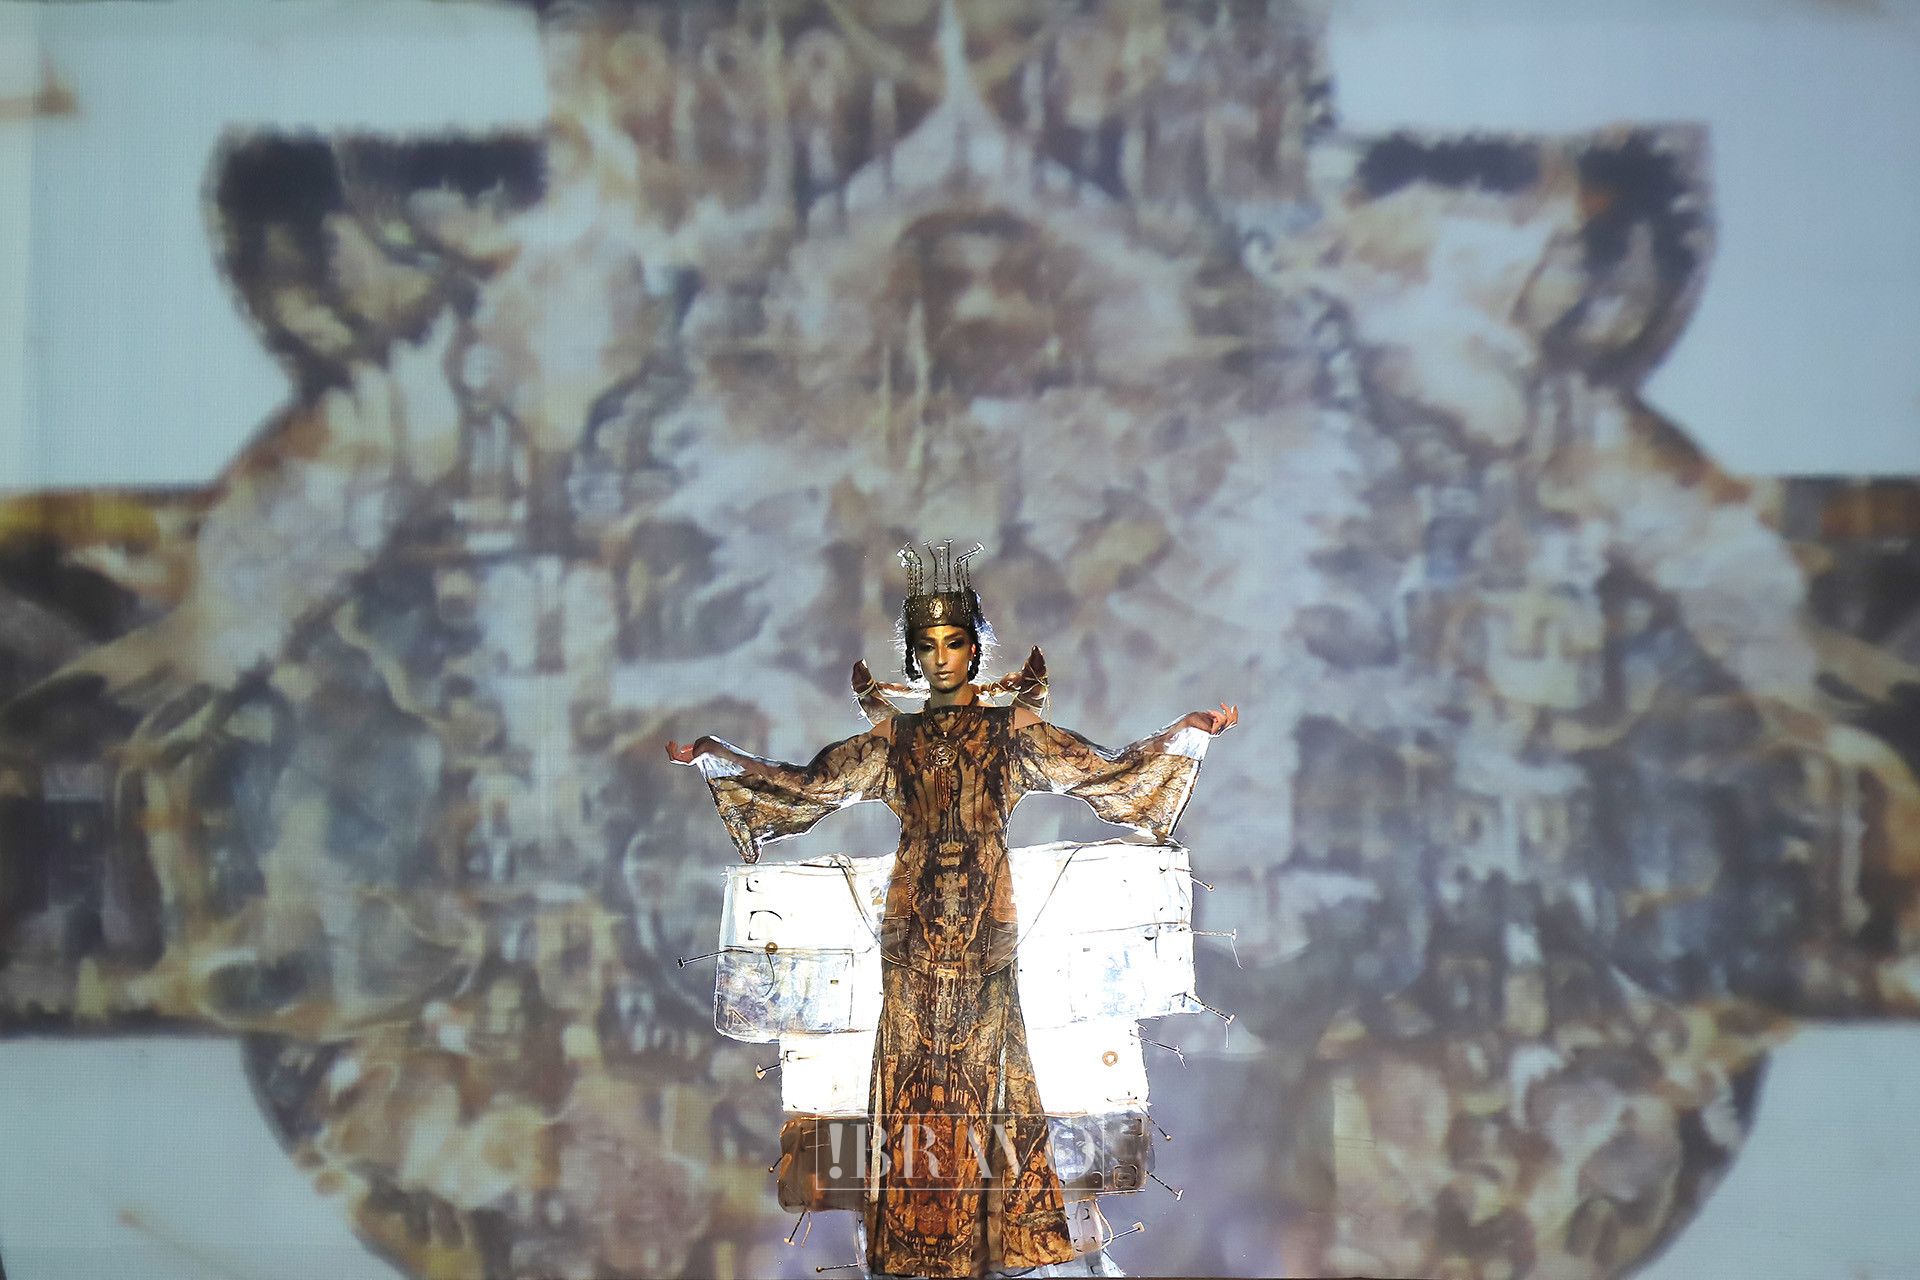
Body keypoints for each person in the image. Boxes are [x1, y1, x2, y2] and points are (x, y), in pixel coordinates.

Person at [666, 542, 1235, 1279]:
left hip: (986, 928)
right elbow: (809, 786)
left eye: (954, 642)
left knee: (991, 1072)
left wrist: (1186, 734)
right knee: (910, 1078)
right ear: (913, 656)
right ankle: (915, 1248)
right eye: (928, 645)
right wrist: (717, 756)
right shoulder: (894, 739)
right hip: (910, 927)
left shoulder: (1010, 733)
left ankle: (993, 1245)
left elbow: (1102, 772)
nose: (941, 658)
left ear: (975, 649)